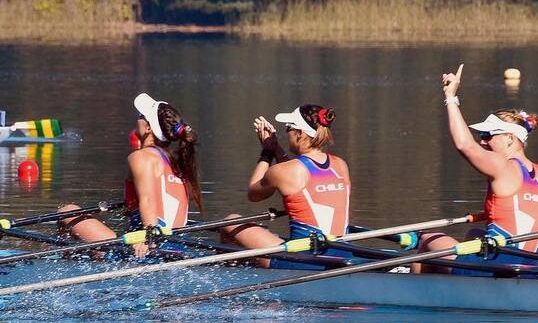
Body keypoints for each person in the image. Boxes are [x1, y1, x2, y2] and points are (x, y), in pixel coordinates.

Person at [414, 64, 538, 275]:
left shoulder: (503, 166)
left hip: (495, 267)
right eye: (481, 137)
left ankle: (420, 294)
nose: (483, 142)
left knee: (427, 240)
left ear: (510, 140)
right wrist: (519, 214)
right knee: (476, 232)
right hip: (528, 268)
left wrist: (451, 97)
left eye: (488, 136)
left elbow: (464, 145)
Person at [60, 93, 201, 258]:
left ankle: (68, 262)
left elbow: (148, 200)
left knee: (67, 211)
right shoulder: (180, 163)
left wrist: (149, 241)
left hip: (146, 248)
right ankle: (86, 254)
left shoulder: (141, 157)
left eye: (141, 116)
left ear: (148, 128)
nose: (137, 118)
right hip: (179, 247)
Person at [222, 104, 351, 269]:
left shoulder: (287, 171)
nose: (286, 132)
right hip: (343, 252)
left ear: (300, 133)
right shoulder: (340, 165)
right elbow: (296, 175)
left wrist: (267, 152)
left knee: (230, 222)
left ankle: (228, 276)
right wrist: (276, 148)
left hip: (302, 259)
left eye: (288, 128)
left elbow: (253, 194)